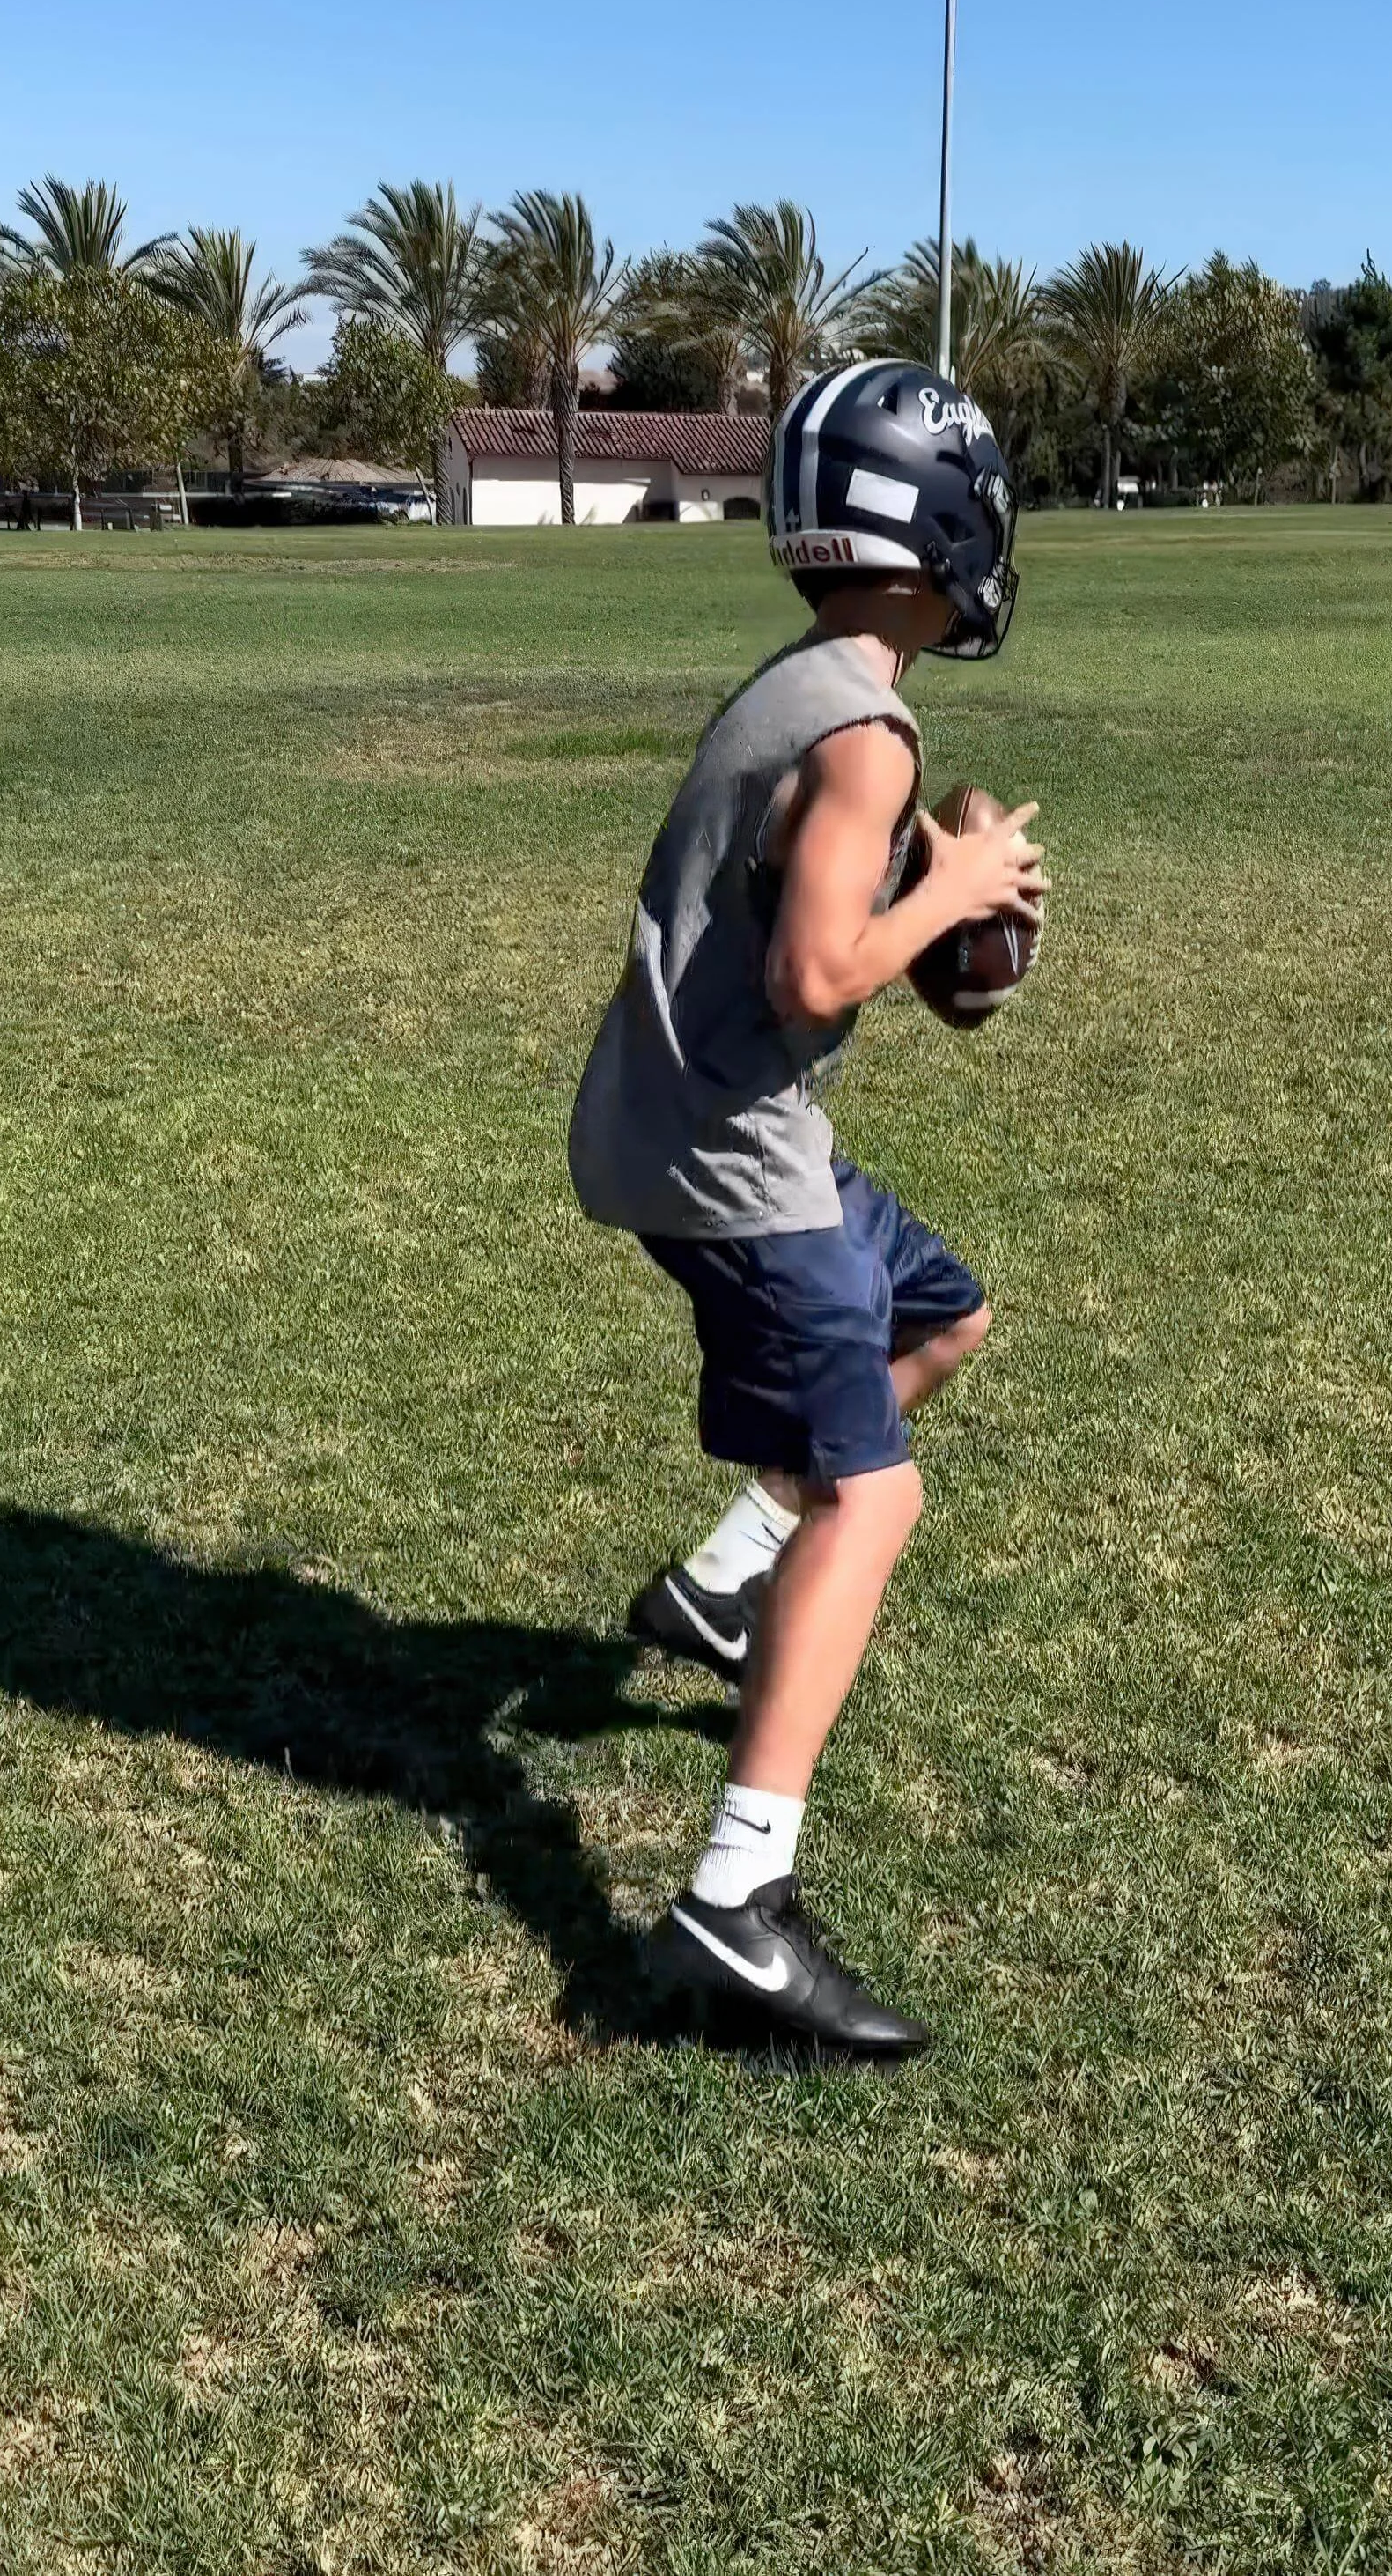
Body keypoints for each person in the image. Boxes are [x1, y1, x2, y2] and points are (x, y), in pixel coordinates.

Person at [569, 360, 1043, 2056]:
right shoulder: (864, 730)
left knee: (947, 1315)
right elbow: (822, 966)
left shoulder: (825, 690)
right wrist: (956, 890)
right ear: (933, 532)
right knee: (878, 1500)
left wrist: (967, 896)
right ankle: (735, 1907)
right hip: (725, 1156)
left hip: (700, 1120)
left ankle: (718, 1588)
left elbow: (903, 973)